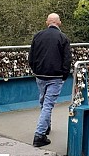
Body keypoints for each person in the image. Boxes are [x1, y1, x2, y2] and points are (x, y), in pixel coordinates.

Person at [28, 13, 72, 147]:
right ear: (59, 23)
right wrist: (64, 75)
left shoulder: (38, 36)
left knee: (43, 101)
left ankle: (46, 127)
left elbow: (31, 57)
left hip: (40, 75)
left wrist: (35, 70)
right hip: (55, 76)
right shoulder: (63, 38)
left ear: (47, 22)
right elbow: (67, 59)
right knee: (48, 105)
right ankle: (39, 135)